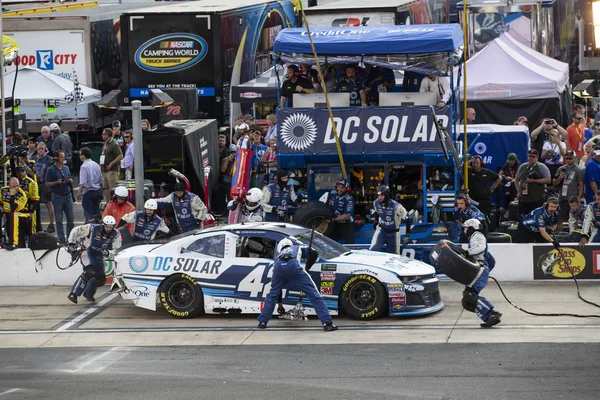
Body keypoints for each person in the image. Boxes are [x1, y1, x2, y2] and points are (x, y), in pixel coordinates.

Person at [256, 239, 338, 332]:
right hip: (293, 266)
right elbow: (314, 253)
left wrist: (280, 304)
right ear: (290, 244)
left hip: (278, 268)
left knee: (272, 295)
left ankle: (262, 322)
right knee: (314, 295)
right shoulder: (297, 248)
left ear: (280, 247)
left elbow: (278, 292)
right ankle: (327, 323)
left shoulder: (278, 255)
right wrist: (307, 267)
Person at [67, 216, 121, 304]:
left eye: (111, 227)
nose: (108, 228)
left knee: (101, 279)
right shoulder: (92, 228)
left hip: (99, 255)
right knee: (90, 272)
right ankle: (74, 294)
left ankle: (89, 293)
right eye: (107, 226)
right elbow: (75, 230)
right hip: (87, 252)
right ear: (103, 224)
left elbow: (117, 249)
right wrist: (71, 243)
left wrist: (108, 253)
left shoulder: (116, 234)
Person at [458, 219, 502, 328]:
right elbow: (492, 261)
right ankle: (489, 317)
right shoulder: (474, 239)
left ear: (471, 228)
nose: (464, 230)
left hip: (479, 269)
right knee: (467, 302)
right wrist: (486, 272)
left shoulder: (477, 236)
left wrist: (467, 253)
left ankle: (493, 314)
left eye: (465, 228)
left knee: (469, 295)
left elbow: (480, 248)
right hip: (479, 270)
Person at [45, 150, 74, 243]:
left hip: (67, 195)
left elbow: (69, 177)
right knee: (59, 219)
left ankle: (70, 238)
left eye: (64, 156)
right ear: (56, 158)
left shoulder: (66, 168)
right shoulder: (51, 170)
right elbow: (47, 184)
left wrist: (69, 181)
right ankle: (61, 239)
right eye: (61, 156)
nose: (63, 158)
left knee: (70, 219)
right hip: (57, 197)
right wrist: (56, 182)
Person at [369, 185, 407, 254]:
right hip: (382, 230)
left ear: (386, 196)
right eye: (378, 195)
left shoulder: (396, 206)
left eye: (382, 195)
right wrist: (376, 221)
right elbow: (377, 212)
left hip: (394, 233)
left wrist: (407, 235)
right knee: (372, 251)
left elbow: (408, 219)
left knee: (394, 256)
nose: (379, 197)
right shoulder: (375, 203)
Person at [552, 150, 584, 229]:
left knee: (574, 219)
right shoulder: (561, 169)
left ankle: (574, 235)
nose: (568, 160)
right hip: (562, 198)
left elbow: (581, 186)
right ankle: (559, 236)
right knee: (559, 219)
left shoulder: (578, 170)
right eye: (567, 158)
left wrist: (578, 199)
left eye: (570, 158)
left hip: (573, 198)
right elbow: (554, 183)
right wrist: (560, 177)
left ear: (574, 158)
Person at [515, 149, 551, 217]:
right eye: (529, 156)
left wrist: (534, 181)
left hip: (536, 199)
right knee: (521, 218)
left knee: (536, 219)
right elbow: (516, 179)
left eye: (533, 157)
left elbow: (548, 180)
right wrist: (519, 191)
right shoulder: (523, 166)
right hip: (523, 199)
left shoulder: (541, 167)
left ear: (537, 158)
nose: (531, 158)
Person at [319, 179, 355, 244]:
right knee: (330, 242)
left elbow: (347, 216)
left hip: (346, 224)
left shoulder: (349, 199)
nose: (340, 189)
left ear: (346, 189)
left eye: (342, 188)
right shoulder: (332, 193)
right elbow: (325, 206)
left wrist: (333, 219)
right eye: (338, 187)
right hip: (334, 223)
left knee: (350, 243)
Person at [0, 177, 28, 250]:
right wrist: (2, 212)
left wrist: (12, 196)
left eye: (17, 185)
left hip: (22, 215)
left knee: (13, 215)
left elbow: (14, 209)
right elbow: (0, 203)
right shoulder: (3, 190)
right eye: (14, 186)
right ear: (9, 186)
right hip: (7, 213)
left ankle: (14, 243)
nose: (16, 188)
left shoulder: (22, 195)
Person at [78, 147, 103, 223]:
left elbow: (83, 182)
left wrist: (79, 192)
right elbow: (101, 179)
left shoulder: (84, 166)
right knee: (97, 214)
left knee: (89, 216)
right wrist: (101, 191)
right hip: (97, 191)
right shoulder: (95, 164)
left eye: (80, 155)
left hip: (88, 193)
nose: (79, 157)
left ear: (83, 156)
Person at [35, 142, 54, 233]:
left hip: (44, 184)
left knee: (48, 204)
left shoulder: (49, 159)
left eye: (42, 148)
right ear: (37, 149)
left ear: (45, 149)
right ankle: (37, 225)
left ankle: (51, 224)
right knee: (35, 205)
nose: (41, 150)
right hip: (35, 184)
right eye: (39, 148)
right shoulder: (34, 159)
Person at [100, 128, 123, 203]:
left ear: (108, 135)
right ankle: (108, 203)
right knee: (106, 187)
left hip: (112, 170)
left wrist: (111, 164)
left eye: (104, 134)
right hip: (105, 169)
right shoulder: (105, 143)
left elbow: (120, 156)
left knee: (112, 188)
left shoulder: (114, 144)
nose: (103, 135)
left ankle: (114, 203)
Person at [16, 166, 39, 237]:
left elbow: (35, 199)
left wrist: (31, 211)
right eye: (18, 172)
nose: (20, 173)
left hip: (28, 210)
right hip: (17, 210)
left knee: (31, 231)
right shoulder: (14, 181)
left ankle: (32, 245)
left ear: (25, 172)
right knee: (19, 232)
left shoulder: (31, 183)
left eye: (22, 171)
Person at [500, 153, 520, 219]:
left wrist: (514, 179)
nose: (510, 164)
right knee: (506, 193)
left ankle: (512, 212)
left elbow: (521, 177)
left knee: (514, 192)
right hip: (507, 184)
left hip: (515, 185)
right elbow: (499, 174)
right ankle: (506, 210)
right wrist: (504, 177)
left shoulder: (519, 167)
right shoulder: (506, 166)